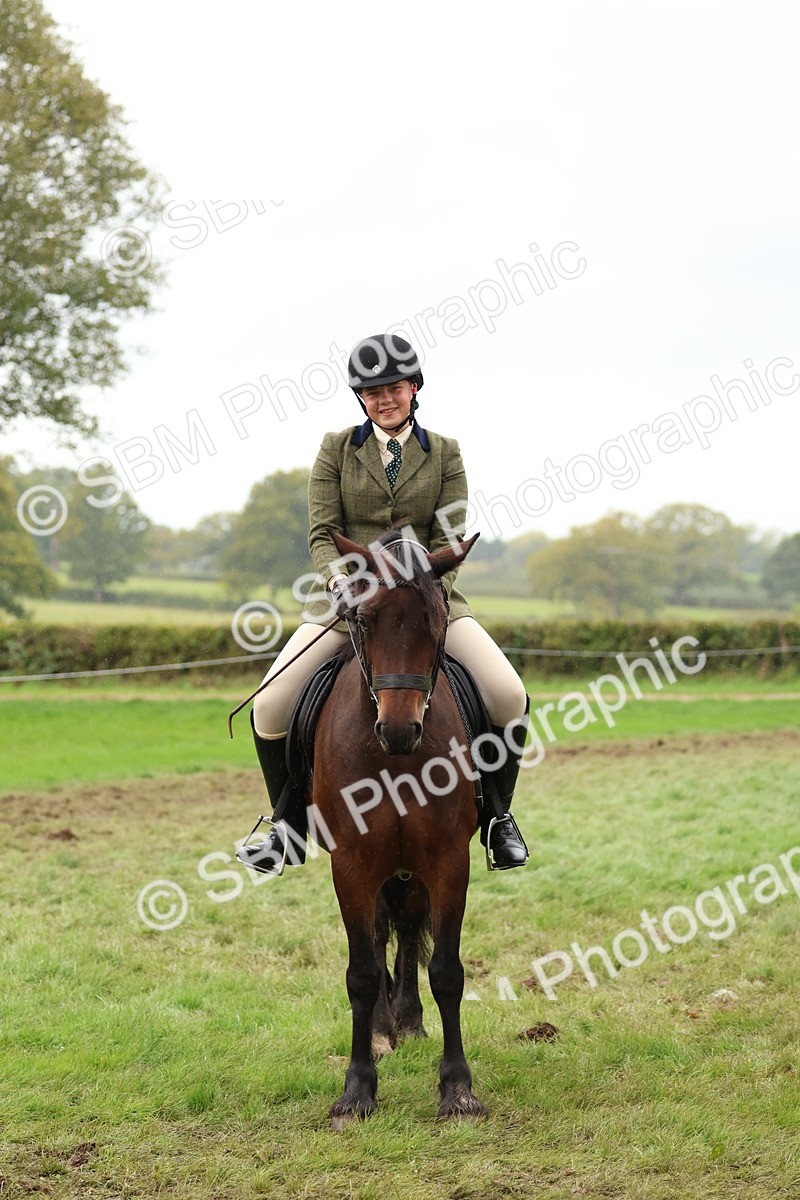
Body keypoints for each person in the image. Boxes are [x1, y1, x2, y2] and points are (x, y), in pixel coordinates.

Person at [237, 333, 530, 875]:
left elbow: (452, 532)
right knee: (269, 706)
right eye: (371, 392)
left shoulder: (444, 452)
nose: (383, 398)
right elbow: (323, 532)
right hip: (348, 602)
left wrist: (422, 587)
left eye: (393, 387)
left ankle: (498, 819)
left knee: (510, 694)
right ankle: (285, 827)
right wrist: (339, 580)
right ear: (361, 399)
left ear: (414, 388)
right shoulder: (335, 448)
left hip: (425, 603)